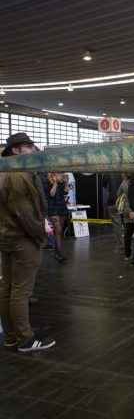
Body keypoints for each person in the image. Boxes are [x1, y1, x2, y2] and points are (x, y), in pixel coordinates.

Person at [0, 132, 56, 352]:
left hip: (7, 237)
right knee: (21, 292)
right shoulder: (18, 174)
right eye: (29, 146)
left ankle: (12, 336)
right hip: (22, 239)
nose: (34, 149)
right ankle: (26, 339)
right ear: (16, 150)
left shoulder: (4, 172)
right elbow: (25, 212)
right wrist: (41, 236)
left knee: (8, 288)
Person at [43, 172, 69, 262]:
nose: (60, 174)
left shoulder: (61, 180)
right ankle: (60, 254)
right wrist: (56, 183)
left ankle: (56, 253)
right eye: (58, 173)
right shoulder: (47, 181)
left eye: (61, 173)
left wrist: (66, 183)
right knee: (58, 230)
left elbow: (66, 192)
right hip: (52, 208)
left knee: (59, 232)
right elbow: (52, 194)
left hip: (61, 207)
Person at [102, 173, 124, 253]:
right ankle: (127, 245)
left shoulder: (109, 171)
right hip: (124, 200)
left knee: (117, 224)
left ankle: (121, 246)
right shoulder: (123, 170)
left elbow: (103, 184)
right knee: (126, 224)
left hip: (113, 200)